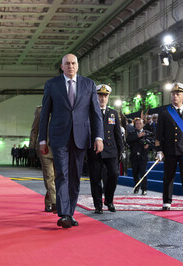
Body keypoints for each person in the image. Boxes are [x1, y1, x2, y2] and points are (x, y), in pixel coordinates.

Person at [39, 53, 103, 228]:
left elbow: (95, 113)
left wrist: (98, 137)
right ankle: (64, 213)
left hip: (81, 137)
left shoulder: (88, 84)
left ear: (77, 65)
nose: (70, 66)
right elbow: (44, 114)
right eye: (67, 64)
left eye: (73, 63)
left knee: (75, 177)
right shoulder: (52, 85)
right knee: (62, 175)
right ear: (62, 66)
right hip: (59, 138)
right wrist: (42, 139)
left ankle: (70, 212)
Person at [155, 82, 183, 213]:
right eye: (173, 94)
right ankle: (167, 202)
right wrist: (159, 150)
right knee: (169, 176)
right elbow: (159, 134)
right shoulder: (164, 112)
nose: (175, 96)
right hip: (170, 149)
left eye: (178, 94)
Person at [87, 85, 123, 214]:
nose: (102, 98)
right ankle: (98, 205)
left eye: (105, 96)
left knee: (113, 174)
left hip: (111, 149)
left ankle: (109, 200)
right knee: (95, 179)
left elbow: (117, 133)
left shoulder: (113, 113)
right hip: (95, 150)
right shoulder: (89, 111)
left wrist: (121, 150)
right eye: (100, 95)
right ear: (95, 96)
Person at [29, 105, 56, 213]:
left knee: (57, 178)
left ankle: (49, 201)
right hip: (45, 148)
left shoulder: (63, 106)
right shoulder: (41, 110)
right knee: (49, 176)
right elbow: (34, 130)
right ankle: (55, 203)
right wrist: (31, 146)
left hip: (60, 148)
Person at [127, 118, 152, 195]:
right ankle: (136, 187)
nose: (138, 125)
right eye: (136, 124)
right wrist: (138, 136)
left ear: (143, 124)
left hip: (143, 156)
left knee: (143, 173)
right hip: (134, 156)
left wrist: (148, 145)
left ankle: (144, 189)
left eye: (139, 123)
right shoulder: (132, 133)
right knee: (135, 173)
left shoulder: (147, 133)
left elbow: (153, 142)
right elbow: (128, 140)